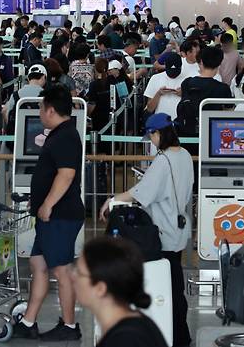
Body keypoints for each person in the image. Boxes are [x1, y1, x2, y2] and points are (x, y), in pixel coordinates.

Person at [100, 113, 193, 347]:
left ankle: (176, 337)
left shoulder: (163, 160)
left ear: (158, 133)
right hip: (180, 227)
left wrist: (111, 200)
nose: (151, 141)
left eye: (151, 135)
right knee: (176, 284)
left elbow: (142, 193)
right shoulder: (184, 155)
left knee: (168, 287)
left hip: (164, 229)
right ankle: (182, 335)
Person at [13, 85, 84, 341]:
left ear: (50, 110)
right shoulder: (60, 133)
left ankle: (69, 326)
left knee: (61, 270)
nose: (40, 112)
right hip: (51, 215)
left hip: (60, 215)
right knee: (38, 263)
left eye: (42, 108)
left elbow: (66, 175)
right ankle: (29, 321)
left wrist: (48, 204)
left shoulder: (65, 136)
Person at [72, 237, 168, 347]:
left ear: (100, 288)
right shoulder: (128, 327)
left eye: (79, 272)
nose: (72, 277)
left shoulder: (126, 339)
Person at [176, 46, 232, 147]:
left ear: (200, 61)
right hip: (212, 135)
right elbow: (229, 113)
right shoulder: (222, 88)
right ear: (219, 63)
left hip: (187, 133)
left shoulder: (186, 83)